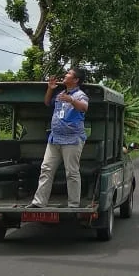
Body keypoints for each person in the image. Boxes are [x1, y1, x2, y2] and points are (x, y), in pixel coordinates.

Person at [29, 68, 90, 209]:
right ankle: (39, 202)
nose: (65, 75)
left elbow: (84, 108)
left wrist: (72, 100)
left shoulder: (80, 95)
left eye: (68, 73)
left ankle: (73, 204)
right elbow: (46, 102)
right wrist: (50, 89)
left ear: (76, 80)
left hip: (72, 140)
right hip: (54, 139)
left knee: (71, 173)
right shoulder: (60, 93)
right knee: (46, 169)